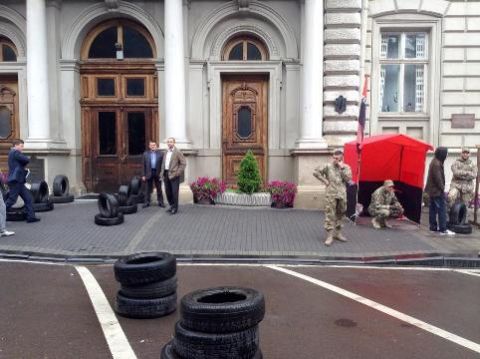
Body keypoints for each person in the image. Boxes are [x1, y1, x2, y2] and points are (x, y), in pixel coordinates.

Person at [313, 150, 352, 246]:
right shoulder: (327, 166)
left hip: (342, 194)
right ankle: (329, 236)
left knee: (341, 213)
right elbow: (315, 172)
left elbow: (348, 179)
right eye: (334, 158)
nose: (335, 160)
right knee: (330, 214)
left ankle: (338, 233)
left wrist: (342, 168)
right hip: (331, 194)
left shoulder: (346, 167)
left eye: (337, 158)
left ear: (341, 158)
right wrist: (325, 181)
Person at [4, 139, 40, 223]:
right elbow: (26, 159)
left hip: (18, 181)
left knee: (28, 198)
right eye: (21, 146)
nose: (22, 148)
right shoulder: (15, 152)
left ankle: (31, 217)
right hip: (15, 181)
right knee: (12, 200)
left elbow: (23, 161)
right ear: (16, 145)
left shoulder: (13, 153)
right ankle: (1, 213)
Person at [425, 147, 454, 235]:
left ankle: (433, 227)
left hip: (432, 190)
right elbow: (438, 179)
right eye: (446, 153)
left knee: (433, 209)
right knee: (442, 209)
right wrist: (442, 189)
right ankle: (443, 228)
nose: (447, 155)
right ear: (442, 154)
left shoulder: (435, 161)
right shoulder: (437, 164)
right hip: (437, 191)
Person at [161, 137, 186, 215]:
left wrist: (178, 173)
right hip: (166, 174)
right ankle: (171, 205)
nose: (169, 143)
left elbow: (183, 163)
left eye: (171, 142)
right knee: (168, 192)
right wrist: (161, 173)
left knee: (174, 192)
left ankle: (175, 208)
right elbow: (163, 163)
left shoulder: (177, 152)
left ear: (174, 143)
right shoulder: (166, 152)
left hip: (174, 175)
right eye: (168, 142)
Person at [142, 140, 165, 208]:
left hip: (157, 172)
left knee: (159, 188)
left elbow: (163, 165)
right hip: (148, 172)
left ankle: (161, 202)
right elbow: (143, 165)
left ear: (156, 146)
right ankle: (146, 202)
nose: (153, 146)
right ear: (149, 146)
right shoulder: (145, 154)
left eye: (154, 145)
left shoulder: (161, 154)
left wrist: (162, 174)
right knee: (147, 189)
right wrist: (143, 175)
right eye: (151, 145)